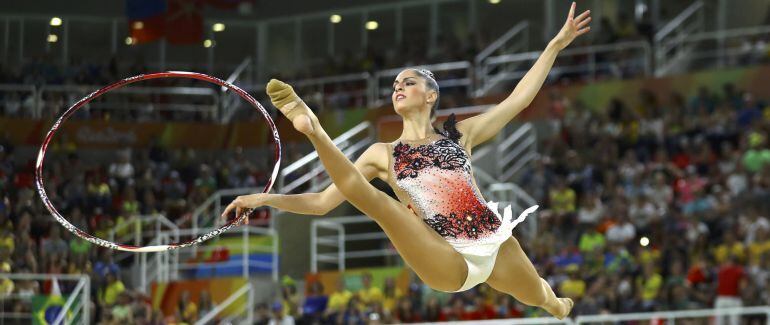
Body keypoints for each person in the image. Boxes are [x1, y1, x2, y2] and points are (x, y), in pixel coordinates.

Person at [222, 2, 592, 319]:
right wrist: (262, 199)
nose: (398, 87)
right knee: (381, 205)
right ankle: (313, 128)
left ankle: (558, 308)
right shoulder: (382, 154)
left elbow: (518, 101)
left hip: (492, 241)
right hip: (443, 256)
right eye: (396, 85)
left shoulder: (460, 135)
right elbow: (321, 203)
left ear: (431, 95)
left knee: (540, 297)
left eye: (408, 82)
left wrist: (556, 45)